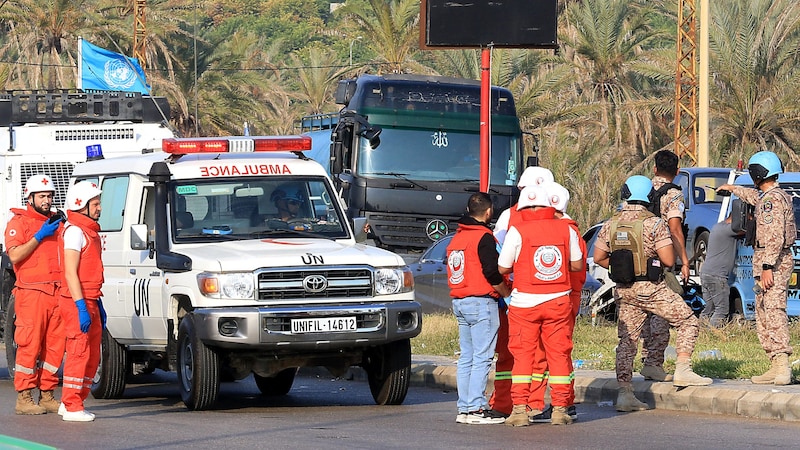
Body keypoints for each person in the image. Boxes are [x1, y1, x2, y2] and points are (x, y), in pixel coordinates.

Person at [593, 175, 712, 413]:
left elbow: (599, 258)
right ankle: (683, 369)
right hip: (651, 288)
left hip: (624, 290)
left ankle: (625, 393)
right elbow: (668, 259)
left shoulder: (611, 223)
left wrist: (623, 268)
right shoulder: (654, 224)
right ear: (649, 196)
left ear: (626, 194)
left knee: (627, 341)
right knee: (688, 321)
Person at [498, 184, 583, 426]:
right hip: (558, 302)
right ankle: (559, 409)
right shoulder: (566, 230)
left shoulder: (517, 230)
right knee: (558, 356)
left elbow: (503, 267)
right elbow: (576, 265)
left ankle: (519, 411)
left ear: (523, 206)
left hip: (524, 304)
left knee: (523, 357)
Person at [717, 151, 795, 385]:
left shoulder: (772, 201)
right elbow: (752, 196)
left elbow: (774, 237)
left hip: (774, 261)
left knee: (773, 311)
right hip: (766, 261)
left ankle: (782, 365)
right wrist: (732, 189)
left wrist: (769, 266)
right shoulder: (768, 196)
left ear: (758, 173)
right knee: (762, 312)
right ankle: (773, 363)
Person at [489, 166, 554, 418]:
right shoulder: (559, 220)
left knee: (510, 353)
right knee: (538, 355)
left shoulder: (508, 217)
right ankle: (533, 403)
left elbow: (499, 259)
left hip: (515, 296)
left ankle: (505, 403)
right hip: (547, 298)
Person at [447, 192, 511, 425]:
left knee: (467, 357)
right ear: (488, 212)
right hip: (481, 301)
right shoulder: (483, 237)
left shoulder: (457, 238)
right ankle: (475, 408)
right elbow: (491, 271)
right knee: (482, 357)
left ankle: (464, 408)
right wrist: (506, 293)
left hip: (460, 301)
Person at [4, 175, 65, 415]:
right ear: (30, 198)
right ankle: (24, 397)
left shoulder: (57, 223)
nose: (47, 200)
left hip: (56, 291)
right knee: (29, 344)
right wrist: (38, 236)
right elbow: (16, 256)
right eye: (42, 196)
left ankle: (47, 394)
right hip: (31, 293)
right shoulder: (19, 223)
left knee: (54, 346)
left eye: (49, 196)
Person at [527, 181, 586, 423]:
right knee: (560, 352)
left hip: (552, 297)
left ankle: (536, 403)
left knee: (542, 353)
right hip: (567, 298)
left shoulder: (556, 231)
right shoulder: (571, 231)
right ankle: (564, 401)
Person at [58, 181, 106, 422]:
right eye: (95, 204)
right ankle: (71, 405)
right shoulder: (75, 232)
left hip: (90, 298)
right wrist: (80, 306)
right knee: (79, 352)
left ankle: (75, 400)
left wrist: (97, 305)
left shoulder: (88, 231)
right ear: (81, 205)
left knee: (92, 354)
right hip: (77, 300)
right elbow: (70, 273)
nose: (99, 208)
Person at [640, 150, 689, 383]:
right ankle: (654, 363)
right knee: (661, 311)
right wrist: (685, 261)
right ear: (677, 172)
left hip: (638, 259)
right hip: (662, 259)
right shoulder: (674, 195)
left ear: (655, 169)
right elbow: (675, 228)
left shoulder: (642, 190)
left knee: (641, 310)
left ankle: (644, 356)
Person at [699, 215, 742, 327]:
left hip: (706, 272)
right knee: (721, 310)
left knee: (708, 308)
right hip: (717, 276)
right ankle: (713, 335)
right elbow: (745, 231)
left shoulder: (717, 227)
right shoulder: (728, 230)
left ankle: (701, 334)